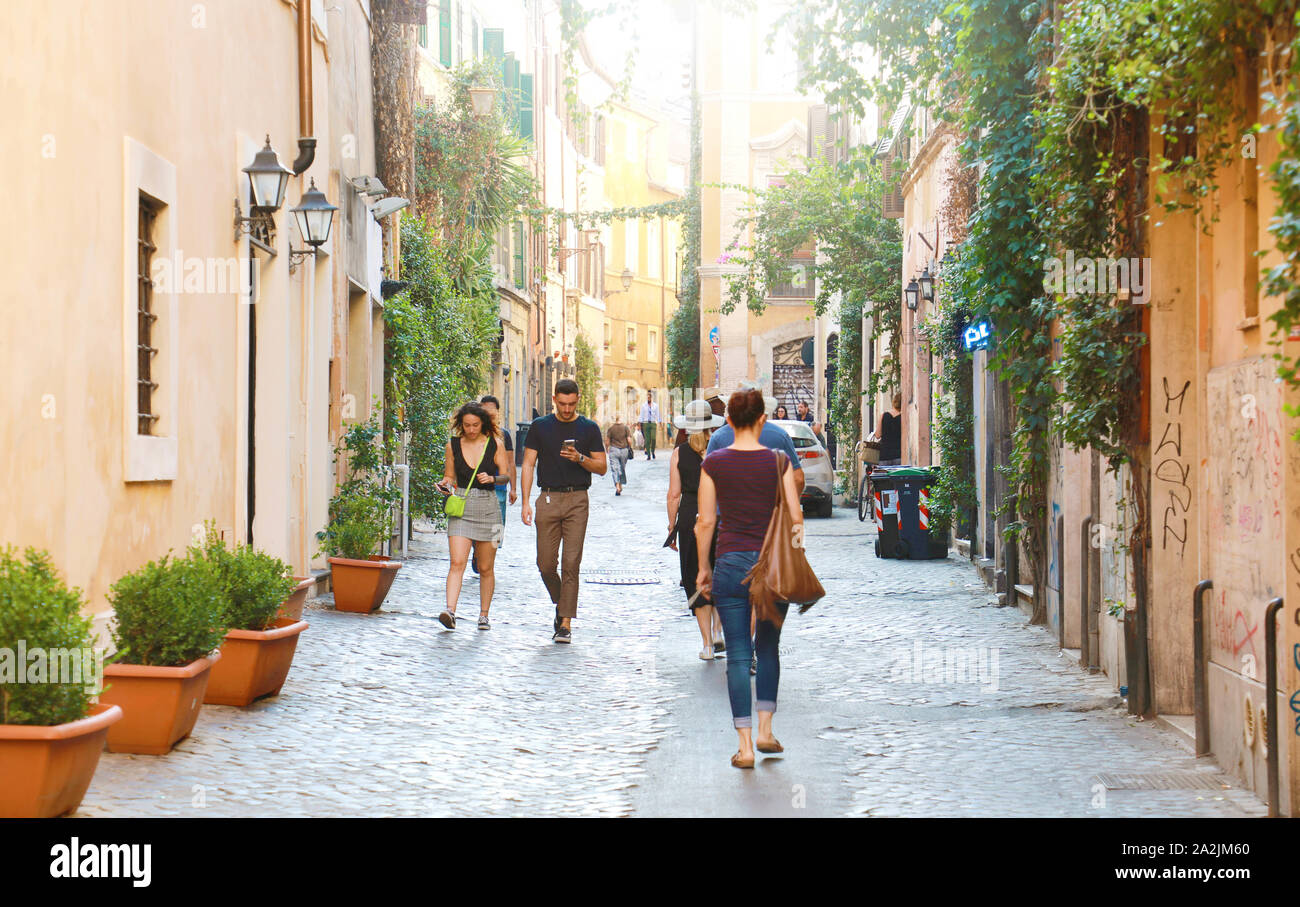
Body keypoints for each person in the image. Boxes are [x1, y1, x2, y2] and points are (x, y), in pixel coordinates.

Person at [695, 388, 803, 769]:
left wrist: (703, 569)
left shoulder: (714, 463)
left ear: (727, 421)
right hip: (771, 566)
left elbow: (706, 521)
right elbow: (795, 517)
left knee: (738, 655)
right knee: (768, 647)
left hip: (729, 562)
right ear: (762, 420)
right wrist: (793, 552)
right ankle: (765, 730)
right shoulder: (778, 461)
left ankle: (743, 748)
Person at [521, 378, 607, 643]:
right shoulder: (540, 426)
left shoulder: (589, 428)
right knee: (545, 564)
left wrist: (580, 458)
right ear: (554, 400)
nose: (567, 409)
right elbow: (527, 464)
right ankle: (562, 606)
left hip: (577, 499)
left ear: (577, 399)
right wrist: (525, 501)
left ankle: (565, 623)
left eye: (571, 404)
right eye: (562, 404)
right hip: (547, 498)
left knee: (571, 563)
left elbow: (602, 467)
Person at [435, 401, 514, 631]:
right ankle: (450, 611)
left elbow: (506, 476)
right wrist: (444, 484)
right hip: (461, 508)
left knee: (486, 567)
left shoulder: (495, 443)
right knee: (457, 562)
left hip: (489, 509)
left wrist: (493, 479)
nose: (471, 429)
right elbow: (449, 476)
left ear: (483, 424)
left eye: (475, 425)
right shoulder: (453, 446)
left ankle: (484, 615)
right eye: (467, 425)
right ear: (461, 425)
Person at [667, 400, 725, 661]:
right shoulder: (721, 450)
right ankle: (718, 630)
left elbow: (673, 494)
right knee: (720, 572)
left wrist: (672, 526)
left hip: (691, 514)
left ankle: (707, 646)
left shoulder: (679, 453)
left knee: (695, 576)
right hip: (720, 513)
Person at [471, 396, 518, 575]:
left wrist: (513, 488)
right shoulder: (474, 433)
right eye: (485, 411)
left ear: (498, 412)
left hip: (498, 488)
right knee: (476, 524)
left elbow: (511, 463)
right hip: (476, 487)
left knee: (497, 527)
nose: (489, 414)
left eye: (492, 411)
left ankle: (489, 558)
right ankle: (477, 550)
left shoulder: (504, 435)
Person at [606, 414, 633, 496]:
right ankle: (620, 485)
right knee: (622, 468)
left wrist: (606, 448)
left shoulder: (611, 429)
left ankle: (618, 486)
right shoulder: (625, 428)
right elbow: (629, 440)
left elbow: (607, 441)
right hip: (624, 450)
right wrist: (630, 447)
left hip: (614, 449)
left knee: (615, 468)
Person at [875, 393, 903, 466]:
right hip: (899, 454)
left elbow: (878, 435)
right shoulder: (903, 417)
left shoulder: (884, 415)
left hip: (884, 454)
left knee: (883, 476)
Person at [638, 391, 661, 460]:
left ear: (651, 397)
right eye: (647, 397)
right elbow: (641, 415)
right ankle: (648, 454)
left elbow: (658, 414)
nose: (648, 398)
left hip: (653, 423)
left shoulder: (655, 405)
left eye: (649, 397)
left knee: (653, 438)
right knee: (647, 440)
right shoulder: (643, 405)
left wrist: (660, 422)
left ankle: (653, 451)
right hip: (645, 423)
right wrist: (639, 423)